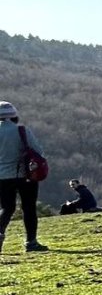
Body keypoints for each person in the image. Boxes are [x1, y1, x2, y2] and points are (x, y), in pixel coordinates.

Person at [0, 101, 47, 254]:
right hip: (25, 175)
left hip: (2, 177)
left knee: (7, 208)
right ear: (14, 116)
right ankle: (31, 242)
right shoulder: (22, 131)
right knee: (29, 208)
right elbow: (38, 151)